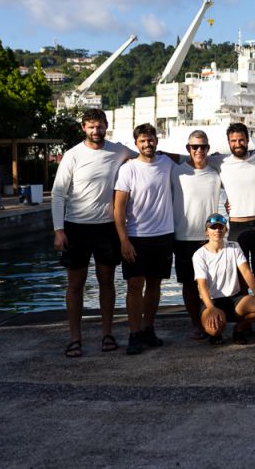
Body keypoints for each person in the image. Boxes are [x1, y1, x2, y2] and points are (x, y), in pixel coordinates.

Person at [51, 108, 136, 358]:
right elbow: (58, 193)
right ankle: (75, 338)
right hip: (75, 227)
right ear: (83, 128)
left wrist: (187, 160)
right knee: (75, 284)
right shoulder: (72, 155)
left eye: (99, 126)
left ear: (106, 126)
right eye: (90, 126)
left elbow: (146, 156)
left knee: (107, 281)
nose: (95, 131)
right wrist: (58, 230)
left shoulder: (118, 150)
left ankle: (107, 334)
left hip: (106, 227)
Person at [113, 123, 175, 355]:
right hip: (136, 236)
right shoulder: (128, 169)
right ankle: (134, 332)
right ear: (136, 144)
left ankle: (149, 328)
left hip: (163, 234)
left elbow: (188, 160)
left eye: (150, 139)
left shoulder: (167, 163)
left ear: (156, 141)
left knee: (155, 284)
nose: (147, 144)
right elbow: (118, 209)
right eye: (142, 141)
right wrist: (123, 240)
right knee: (134, 285)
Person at [212, 123, 255, 314]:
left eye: (241, 140)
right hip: (237, 225)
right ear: (228, 142)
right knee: (240, 273)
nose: (238, 144)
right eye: (233, 141)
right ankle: (246, 313)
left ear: (247, 139)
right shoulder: (221, 162)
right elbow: (190, 159)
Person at [170, 129, 222, 340]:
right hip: (183, 237)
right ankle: (196, 323)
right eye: (195, 147)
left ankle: (214, 319)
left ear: (208, 149)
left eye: (203, 146)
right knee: (189, 285)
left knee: (213, 282)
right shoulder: (176, 171)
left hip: (209, 238)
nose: (199, 150)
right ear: (188, 149)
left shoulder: (216, 171)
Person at [193, 213, 255, 345]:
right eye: (213, 227)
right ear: (207, 232)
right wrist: (210, 308)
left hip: (235, 298)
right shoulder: (199, 255)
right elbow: (202, 285)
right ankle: (216, 333)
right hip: (213, 301)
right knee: (214, 329)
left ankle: (238, 329)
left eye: (220, 227)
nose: (217, 230)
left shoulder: (234, 247)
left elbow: (246, 272)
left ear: (226, 230)